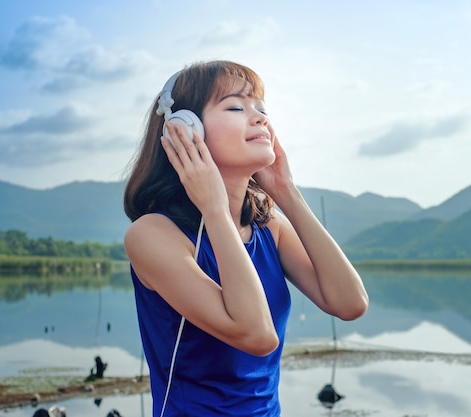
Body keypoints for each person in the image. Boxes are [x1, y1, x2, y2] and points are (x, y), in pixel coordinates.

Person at [122, 60, 368, 417]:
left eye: (262, 108)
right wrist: (215, 210)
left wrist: (287, 192)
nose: (260, 118)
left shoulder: (270, 228)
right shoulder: (152, 236)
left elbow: (350, 304)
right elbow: (257, 335)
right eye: (236, 106)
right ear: (186, 130)